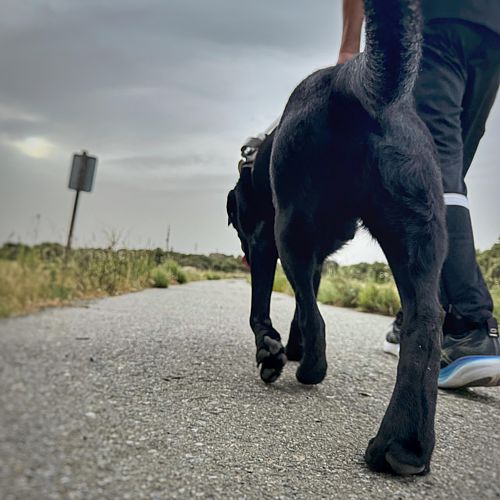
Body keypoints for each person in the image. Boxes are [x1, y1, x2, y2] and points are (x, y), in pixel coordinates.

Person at [338, 0, 500, 388]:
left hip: (432, 20)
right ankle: (419, 312)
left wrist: (349, 45)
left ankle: (468, 325)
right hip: (491, 32)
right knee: (448, 173)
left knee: (433, 173)